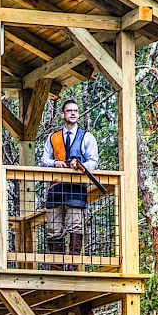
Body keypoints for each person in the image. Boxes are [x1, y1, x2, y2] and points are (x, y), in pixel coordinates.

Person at [40, 99, 98, 270]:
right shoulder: (53, 137)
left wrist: (79, 166)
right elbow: (44, 160)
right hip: (56, 189)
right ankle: (56, 267)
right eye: (69, 111)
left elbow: (93, 161)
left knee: (75, 226)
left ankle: (73, 266)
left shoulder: (87, 137)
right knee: (53, 228)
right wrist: (54, 163)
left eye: (75, 111)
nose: (73, 113)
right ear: (63, 114)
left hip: (76, 190)